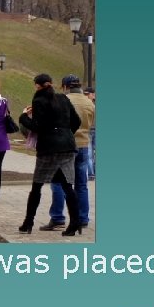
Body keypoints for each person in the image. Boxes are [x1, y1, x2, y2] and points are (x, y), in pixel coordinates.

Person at [18, 73, 82, 236]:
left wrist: (23, 116)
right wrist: (66, 134)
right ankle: (75, 222)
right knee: (68, 186)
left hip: (49, 149)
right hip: (68, 146)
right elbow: (76, 121)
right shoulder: (63, 98)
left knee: (37, 186)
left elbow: (38, 126)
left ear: (38, 86)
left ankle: (28, 222)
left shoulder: (39, 100)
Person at [39, 75, 95, 231]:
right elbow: (91, 123)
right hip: (83, 145)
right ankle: (83, 218)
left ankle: (58, 218)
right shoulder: (89, 102)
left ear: (65, 86)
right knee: (81, 184)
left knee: (58, 182)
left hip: (63, 146)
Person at [83, 86, 96, 180]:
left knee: (91, 153)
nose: (86, 96)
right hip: (88, 130)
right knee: (89, 153)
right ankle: (91, 174)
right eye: (85, 94)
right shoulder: (84, 104)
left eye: (88, 94)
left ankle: (92, 173)